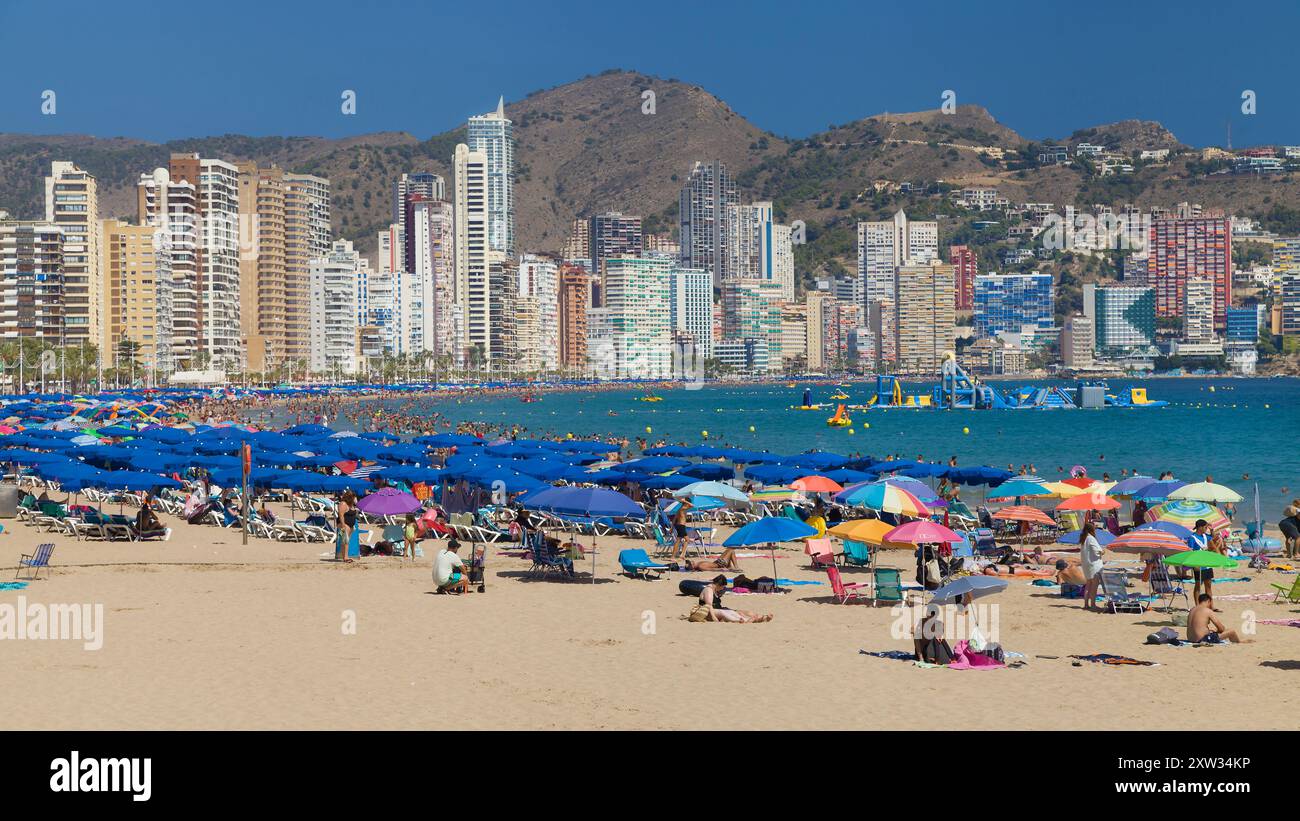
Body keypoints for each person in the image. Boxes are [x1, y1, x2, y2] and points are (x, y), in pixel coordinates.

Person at [696, 575, 771, 623]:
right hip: (707, 612)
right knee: (726, 613)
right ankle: (744, 620)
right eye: (722, 587)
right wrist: (714, 618)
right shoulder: (709, 590)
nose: (722, 588)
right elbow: (709, 605)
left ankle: (760, 617)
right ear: (718, 585)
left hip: (717, 609)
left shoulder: (715, 590)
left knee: (740, 612)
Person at [1187, 595, 1251, 643]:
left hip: (1190, 639)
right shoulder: (1207, 610)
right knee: (1232, 631)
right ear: (1208, 601)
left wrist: (1211, 631)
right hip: (1202, 640)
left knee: (1213, 630)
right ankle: (1239, 643)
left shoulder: (1192, 609)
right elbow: (1221, 629)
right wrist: (1217, 631)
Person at [1186, 519, 1221, 604]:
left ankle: (1210, 605)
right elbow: (1190, 551)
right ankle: (1197, 605)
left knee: (1208, 586)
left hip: (1207, 563)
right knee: (1198, 586)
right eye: (1205, 527)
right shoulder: (1192, 538)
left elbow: (1213, 537)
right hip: (1198, 564)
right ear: (1200, 527)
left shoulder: (1205, 536)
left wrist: (1211, 529)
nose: (1206, 529)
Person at [1079, 520, 1105, 612]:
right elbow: (1096, 550)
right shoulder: (1091, 538)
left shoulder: (1084, 538)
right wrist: (1102, 552)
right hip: (1094, 565)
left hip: (1086, 564)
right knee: (1094, 586)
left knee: (1088, 585)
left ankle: (1086, 604)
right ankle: (1093, 604)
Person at [335, 489, 357, 562]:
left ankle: (345, 556)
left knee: (346, 541)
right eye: (353, 497)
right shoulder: (343, 504)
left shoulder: (351, 504)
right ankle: (345, 558)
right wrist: (343, 526)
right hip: (344, 524)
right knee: (345, 541)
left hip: (350, 524)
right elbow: (341, 515)